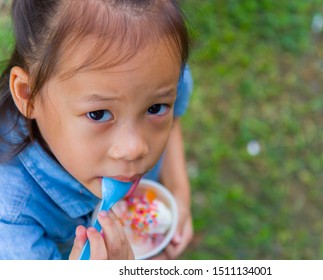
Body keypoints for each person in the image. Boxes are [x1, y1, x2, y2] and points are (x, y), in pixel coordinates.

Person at [0, 0, 193, 260]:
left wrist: (179, 193)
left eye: (156, 108)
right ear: (29, 96)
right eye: (98, 114)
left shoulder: (154, 68)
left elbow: (176, 115)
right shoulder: (12, 222)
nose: (135, 148)